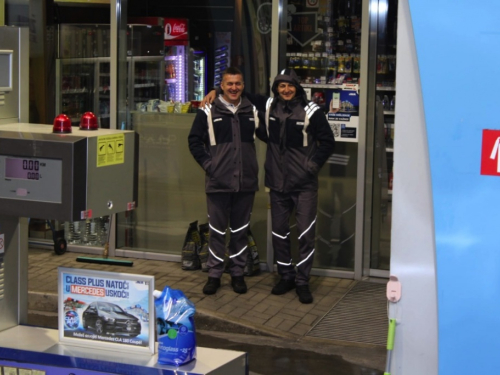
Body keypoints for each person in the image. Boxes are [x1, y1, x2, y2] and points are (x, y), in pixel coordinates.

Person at [203, 68, 335, 303]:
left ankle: (302, 282)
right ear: (276, 88)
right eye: (281, 86)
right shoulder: (268, 107)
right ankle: (286, 276)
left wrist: (311, 167)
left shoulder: (311, 110)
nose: (286, 90)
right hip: (276, 183)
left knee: (305, 234)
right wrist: (215, 90)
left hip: (304, 184)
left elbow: (327, 141)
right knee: (279, 234)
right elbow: (241, 93)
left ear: (297, 87)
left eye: (290, 85)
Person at [188, 67, 260, 295]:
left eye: (238, 83)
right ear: (221, 85)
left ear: (244, 85)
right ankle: (214, 274)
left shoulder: (252, 110)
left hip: (245, 182)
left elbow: (271, 101)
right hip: (218, 182)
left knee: (240, 231)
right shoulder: (208, 111)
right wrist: (210, 166)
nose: (234, 88)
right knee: (217, 231)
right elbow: (194, 141)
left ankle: (237, 274)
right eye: (229, 84)